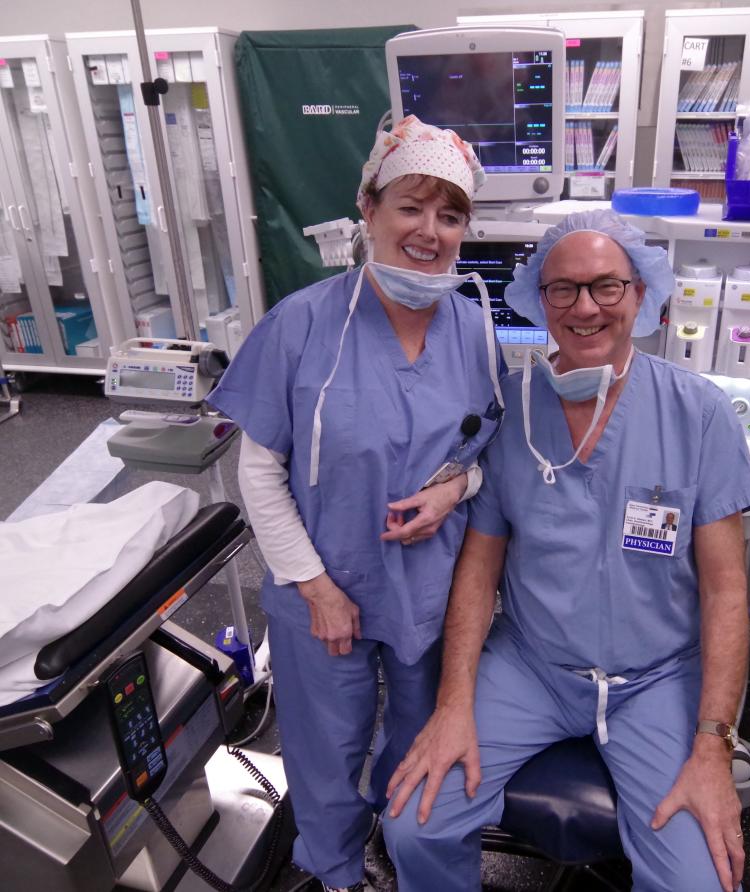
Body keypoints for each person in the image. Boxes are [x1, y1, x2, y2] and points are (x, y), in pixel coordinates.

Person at [383, 209, 750, 892]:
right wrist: (452, 704)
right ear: (539, 300)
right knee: (413, 821)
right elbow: (478, 569)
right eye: (563, 289)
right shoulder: (511, 415)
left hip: (656, 677)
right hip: (533, 666)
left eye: (605, 287)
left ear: (639, 294)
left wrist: (712, 743)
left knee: (697, 883)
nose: (584, 308)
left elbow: (725, 590)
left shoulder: (696, 415)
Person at [207, 116, 506, 892]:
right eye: (410, 207)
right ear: (367, 208)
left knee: (419, 740)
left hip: (428, 589)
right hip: (321, 588)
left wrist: (453, 491)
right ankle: (333, 869)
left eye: (450, 215)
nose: (429, 231)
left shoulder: (475, 330)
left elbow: (488, 460)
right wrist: (314, 584)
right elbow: (260, 473)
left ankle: (400, 851)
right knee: (323, 744)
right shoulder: (302, 325)